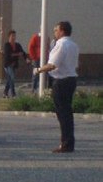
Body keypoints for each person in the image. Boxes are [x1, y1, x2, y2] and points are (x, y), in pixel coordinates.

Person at [34, 21, 79, 153]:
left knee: (63, 114)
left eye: (56, 30)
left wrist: (38, 70)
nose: (55, 33)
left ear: (62, 31)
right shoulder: (74, 45)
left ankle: (65, 143)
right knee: (67, 113)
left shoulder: (61, 44)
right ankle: (69, 142)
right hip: (71, 79)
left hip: (62, 81)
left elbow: (52, 64)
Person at [2, 30, 28, 98]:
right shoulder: (7, 45)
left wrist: (26, 59)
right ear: (9, 37)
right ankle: (13, 94)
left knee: (9, 79)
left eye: (14, 36)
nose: (13, 37)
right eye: (12, 36)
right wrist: (17, 54)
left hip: (14, 65)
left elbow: (22, 52)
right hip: (7, 65)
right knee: (12, 78)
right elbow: (8, 54)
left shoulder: (17, 45)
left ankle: (5, 93)